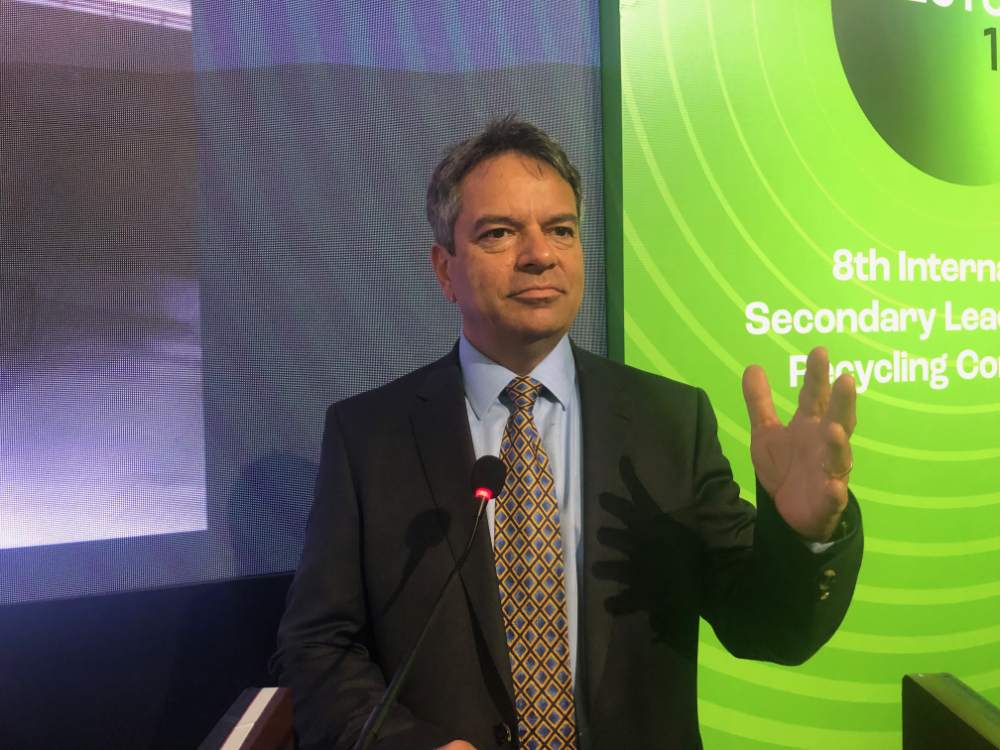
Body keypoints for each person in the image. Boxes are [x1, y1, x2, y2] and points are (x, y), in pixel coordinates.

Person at [270, 116, 863, 750]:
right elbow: (316, 648)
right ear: (444, 269)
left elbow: (767, 627)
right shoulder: (370, 436)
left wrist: (803, 538)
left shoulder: (670, 422)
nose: (540, 254)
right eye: (500, 232)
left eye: (561, 230)